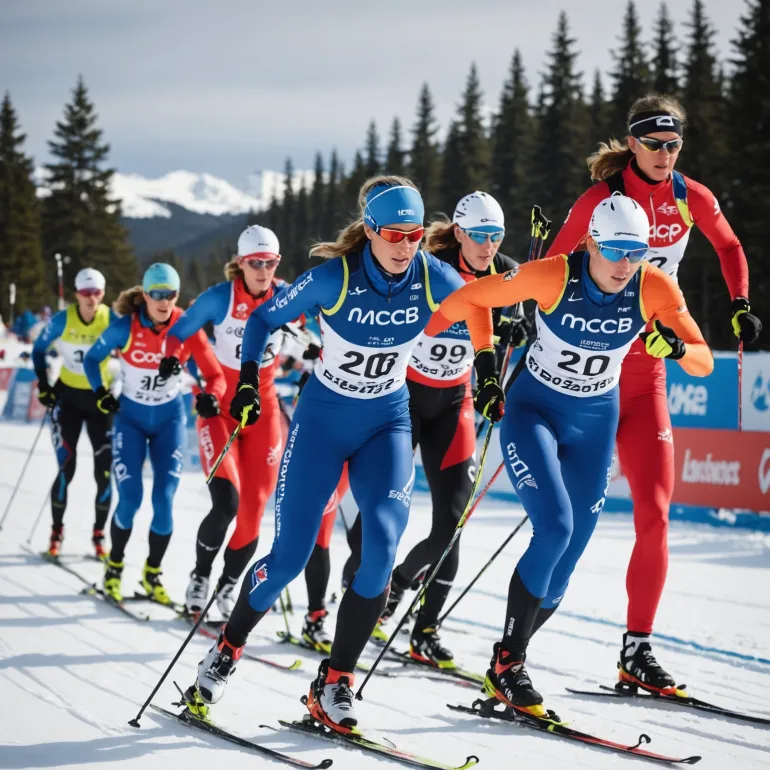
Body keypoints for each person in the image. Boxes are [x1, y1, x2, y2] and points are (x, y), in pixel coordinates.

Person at [184, 175, 465, 733]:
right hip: (322, 424)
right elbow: (263, 317)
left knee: (381, 549)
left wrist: (496, 346)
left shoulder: (434, 274)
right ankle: (228, 647)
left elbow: (482, 304)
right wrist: (244, 381)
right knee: (288, 556)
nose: (406, 244)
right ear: (370, 230)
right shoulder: (333, 278)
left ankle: (335, 682)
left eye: (414, 234)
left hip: (387, 421)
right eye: (394, 233)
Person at [425, 193, 713, 716]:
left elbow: (703, 361)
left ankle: (510, 660)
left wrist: (673, 348)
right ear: (593, 244)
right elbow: (469, 301)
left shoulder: (652, 286)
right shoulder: (553, 275)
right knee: (553, 528)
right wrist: (482, 361)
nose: (627, 263)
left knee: (571, 552)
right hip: (534, 412)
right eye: (617, 250)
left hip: (594, 422)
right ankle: (508, 665)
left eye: (639, 250)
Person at [545, 94, 761, 692]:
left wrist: (739, 305)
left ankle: (636, 649)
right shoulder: (601, 201)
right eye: (655, 144)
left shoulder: (691, 196)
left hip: (647, 374)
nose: (666, 155)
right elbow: (555, 267)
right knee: (561, 523)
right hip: (587, 374)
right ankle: (516, 643)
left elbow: (731, 247)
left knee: (656, 514)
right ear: (632, 143)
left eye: (675, 144)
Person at [342, 192, 528, 668]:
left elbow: (531, 305)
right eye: (480, 236)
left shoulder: (505, 271)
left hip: (452, 403)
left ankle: (421, 621)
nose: (489, 246)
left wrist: (517, 325)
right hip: (403, 398)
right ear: (460, 233)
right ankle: (358, 587)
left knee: (452, 524)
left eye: (497, 236)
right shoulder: (429, 266)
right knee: (381, 509)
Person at [83, 264, 225, 604]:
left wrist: (210, 398)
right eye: (157, 294)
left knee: (163, 500)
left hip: (168, 422)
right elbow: (92, 359)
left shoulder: (187, 327)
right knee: (129, 498)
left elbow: (215, 376)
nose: (164, 302)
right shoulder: (126, 328)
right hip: (129, 420)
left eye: (171, 295)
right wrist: (100, 391)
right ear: (144, 295)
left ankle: (152, 574)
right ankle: (114, 567)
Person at [31, 268, 116, 559]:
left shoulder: (110, 319)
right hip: (67, 399)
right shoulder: (62, 319)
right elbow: (38, 349)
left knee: (104, 473)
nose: (91, 299)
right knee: (67, 467)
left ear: (103, 293)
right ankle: (56, 531)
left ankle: (98, 534)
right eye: (85, 293)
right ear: (76, 294)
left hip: (99, 402)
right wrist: (44, 383)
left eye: (96, 293)